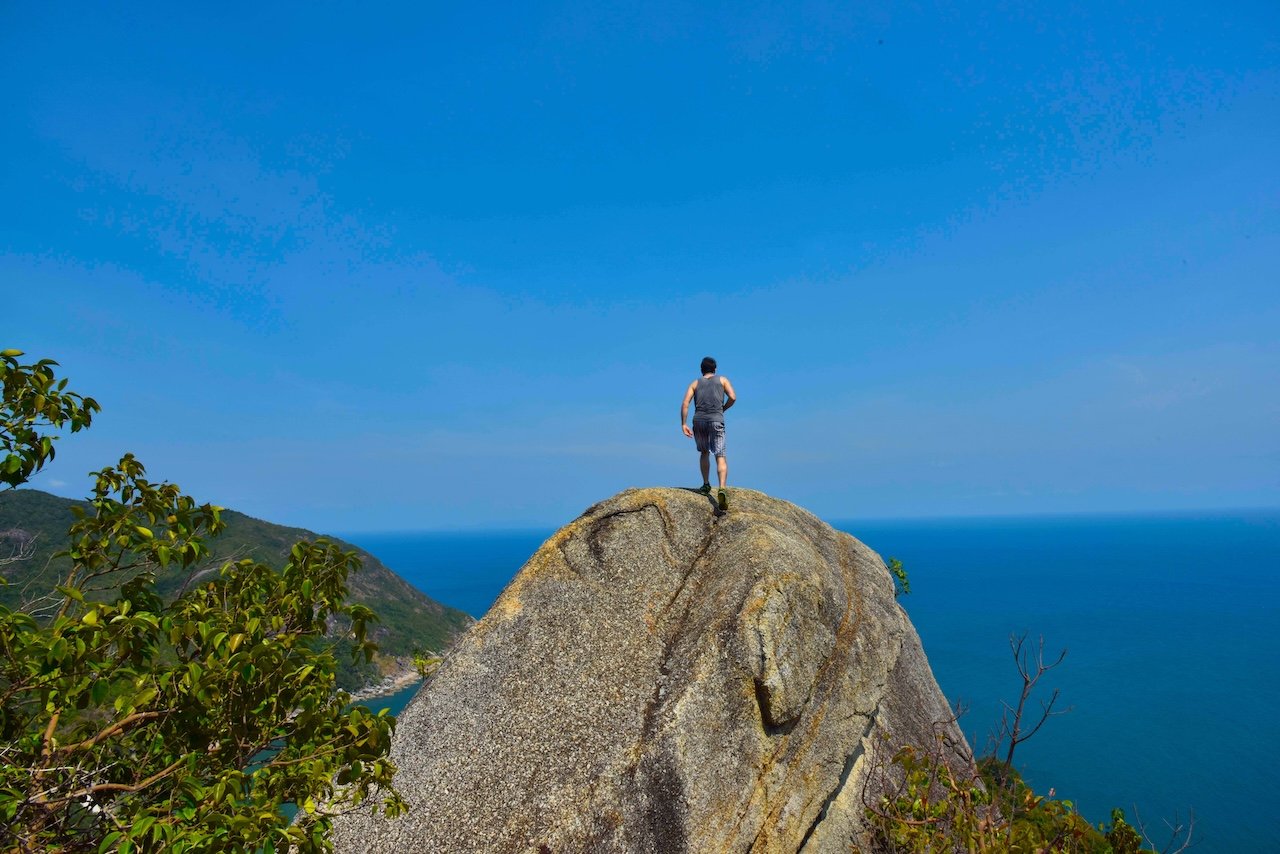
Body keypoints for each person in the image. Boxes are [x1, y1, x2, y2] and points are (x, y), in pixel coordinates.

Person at [680, 356, 737, 512]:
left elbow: (685, 403)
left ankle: (706, 484)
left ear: (701, 370)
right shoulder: (723, 380)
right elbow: (733, 397)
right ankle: (722, 489)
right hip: (716, 420)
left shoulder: (695, 383)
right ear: (715, 369)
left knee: (704, 452)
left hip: (699, 421)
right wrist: (723, 408)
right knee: (720, 455)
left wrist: (683, 424)